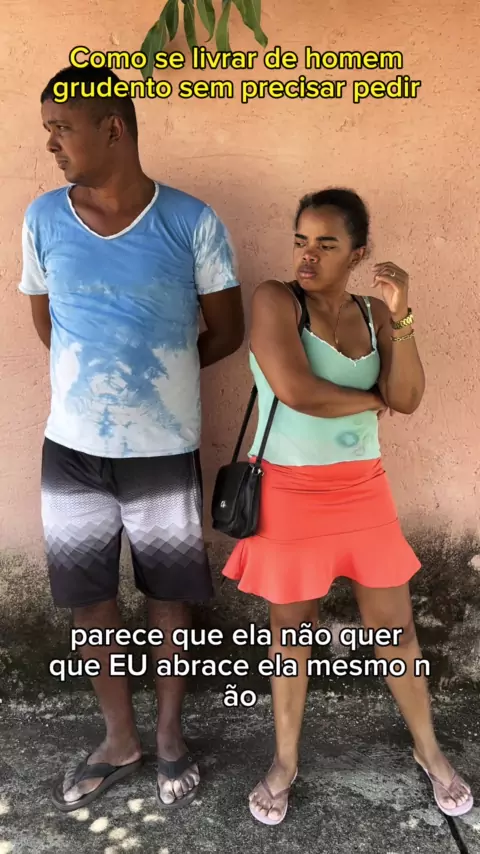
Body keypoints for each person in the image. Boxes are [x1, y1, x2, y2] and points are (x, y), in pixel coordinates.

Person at [19, 64, 244, 812]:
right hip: (72, 451)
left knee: (170, 598)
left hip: (162, 451)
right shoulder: (43, 219)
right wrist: (100, 385)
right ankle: (120, 739)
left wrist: (157, 376)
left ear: (112, 127)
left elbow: (227, 331)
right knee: (89, 601)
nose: (51, 143)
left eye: (62, 127)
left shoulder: (191, 221)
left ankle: (171, 734)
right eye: (48, 129)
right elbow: (49, 323)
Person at [222, 188, 473, 825]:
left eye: (326, 244)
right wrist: (372, 400)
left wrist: (403, 316)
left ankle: (429, 750)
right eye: (301, 241)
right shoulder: (277, 299)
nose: (307, 256)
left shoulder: (374, 312)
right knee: (291, 634)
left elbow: (408, 396)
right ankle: (285, 761)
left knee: (397, 631)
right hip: (288, 492)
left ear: (358, 253)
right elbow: (297, 390)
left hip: (363, 490)